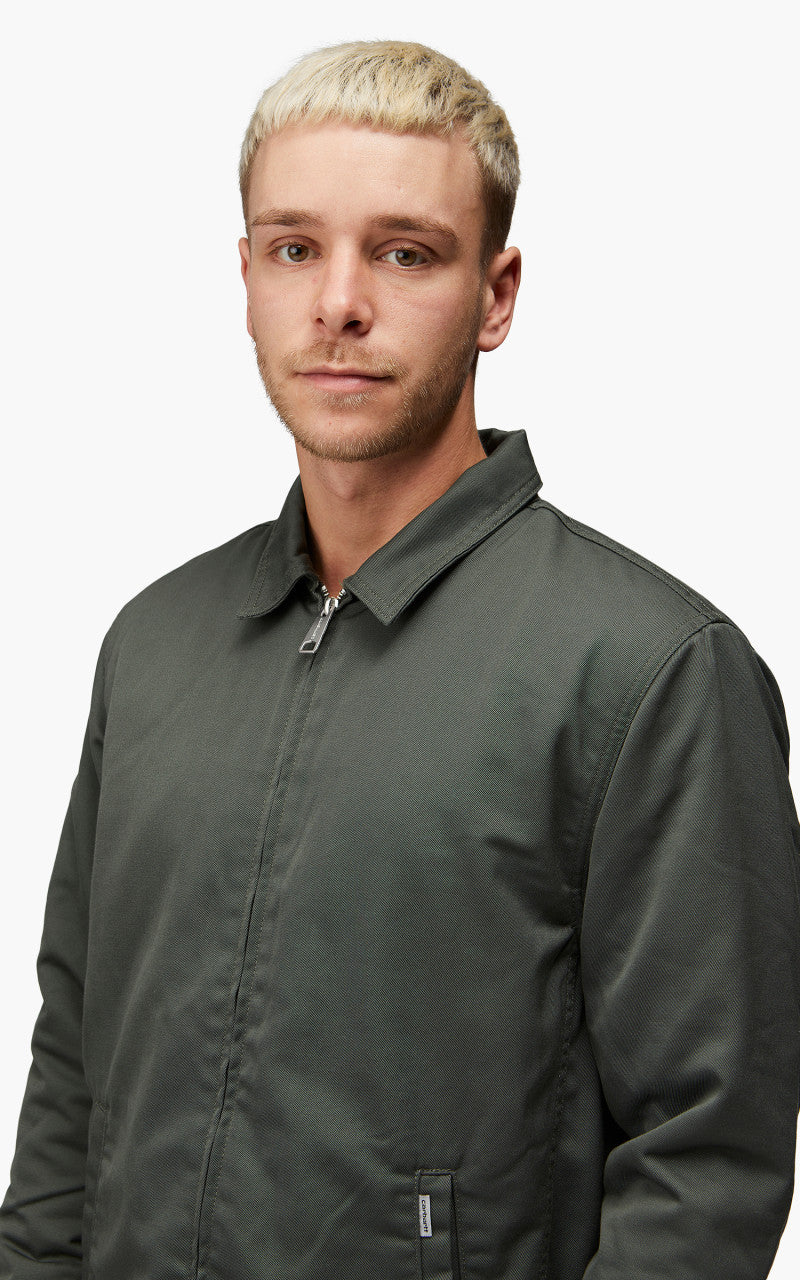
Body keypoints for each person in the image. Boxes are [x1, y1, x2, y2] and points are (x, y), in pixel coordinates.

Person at [1, 37, 798, 1280]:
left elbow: (705, 1162)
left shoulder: (650, 670)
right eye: (294, 248)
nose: (337, 303)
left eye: (405, 252)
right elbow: (73, 1075)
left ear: (495, 293)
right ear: (247, 277)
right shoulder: (153, 642)